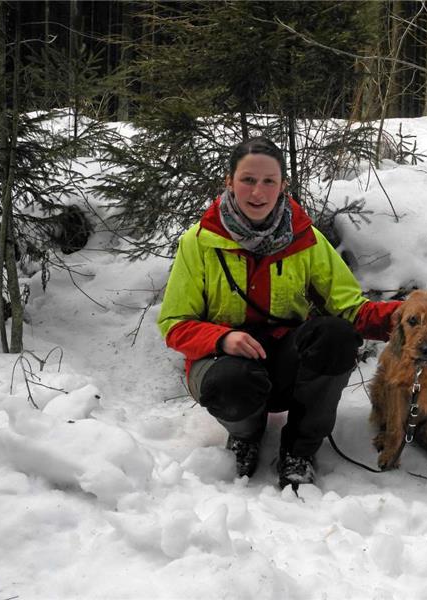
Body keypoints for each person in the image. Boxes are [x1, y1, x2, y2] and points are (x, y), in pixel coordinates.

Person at [157, 136, 400, 489]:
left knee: (335, 336)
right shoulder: (198, 242)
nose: (258, 192)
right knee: (232, 383)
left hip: (284, 363)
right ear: (230, 181)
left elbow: (351, 309)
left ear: (283, 185)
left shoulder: (306, 240)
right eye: (248, 180)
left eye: (269, 181)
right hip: (222, 365)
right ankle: (246, 436)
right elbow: (174, 324)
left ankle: (299, 450)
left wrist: (407, 319)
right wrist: (222, 338)